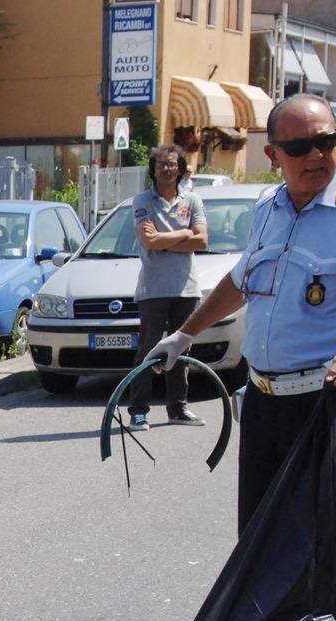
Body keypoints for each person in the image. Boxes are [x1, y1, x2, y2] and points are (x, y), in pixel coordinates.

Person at [146, 93, 336, 621]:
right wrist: (183, 335)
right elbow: (241, 282)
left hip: (327, 403)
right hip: (265, 401)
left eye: (327, 141)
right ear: (273, 153)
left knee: (327, 539)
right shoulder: (267, 209)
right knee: (261, 534)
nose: (316, 154)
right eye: (300, 146)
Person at [128, 144, 209, 431]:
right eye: (161, 164)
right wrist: (185, 233)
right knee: (148, 350)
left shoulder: (193, 201)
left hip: (185, 287)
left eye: (171, 164)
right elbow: (148, 241)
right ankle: (138, 410)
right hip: (153, 288)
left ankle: (178, 408)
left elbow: (202, 241)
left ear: (181, 168)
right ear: (153, 169)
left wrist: (168, 238)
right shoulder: (142, 201)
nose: (166, 168)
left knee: (181, 349)